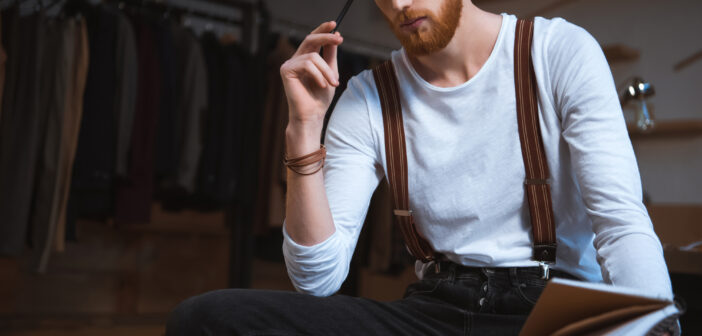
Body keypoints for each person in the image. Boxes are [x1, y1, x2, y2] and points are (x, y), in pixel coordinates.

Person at [166, 0, 679, 334]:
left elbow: (620, 223)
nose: (399, 5)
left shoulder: (557, 51)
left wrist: (654, 325)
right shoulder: (369, 97)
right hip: (434, 311)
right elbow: (317, 280)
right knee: (205, 320)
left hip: (551, 308)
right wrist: (303, 129)